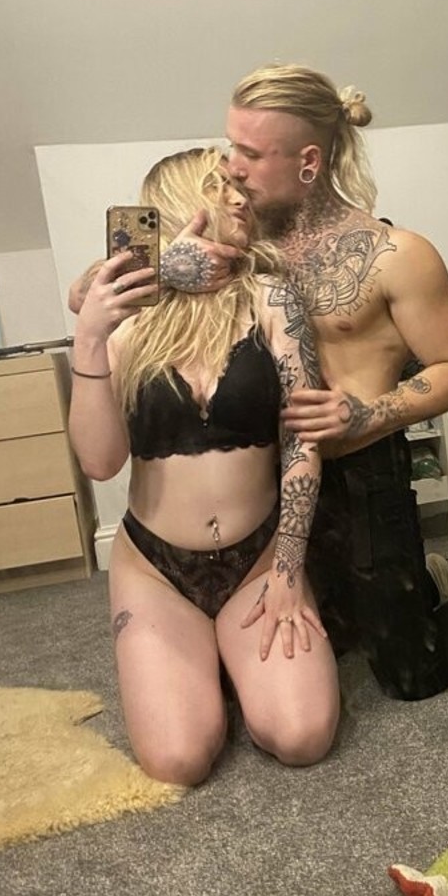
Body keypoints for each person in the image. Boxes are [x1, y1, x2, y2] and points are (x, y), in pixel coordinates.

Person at [71, 65, 448, 702]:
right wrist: (167, 266)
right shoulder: (237, 232)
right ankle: (419, 582)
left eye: (250, 153)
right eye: (231, 145)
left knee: (411, 674)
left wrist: (370, 413)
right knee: (293, 644)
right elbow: (85, 294)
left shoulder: (396, 255)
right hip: (265, 479)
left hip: (359, 470)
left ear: (308, 161)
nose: (232, 166)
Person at [68, 148, 339, 784]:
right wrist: (90, 336)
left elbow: (303, 442)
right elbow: (100, 462)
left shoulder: (271, 298)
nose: (242, 198)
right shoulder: (124, 315)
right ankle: (204, 664)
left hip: (260, 560)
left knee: (301, 736)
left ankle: (225, 662)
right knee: (178, 761)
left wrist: (288, 570)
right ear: (182, 201)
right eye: (222, 187)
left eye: (242, 186)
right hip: (156, 571)